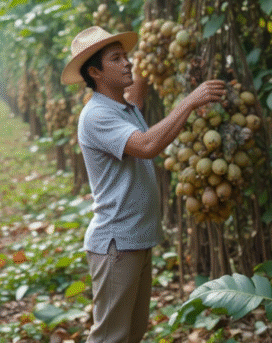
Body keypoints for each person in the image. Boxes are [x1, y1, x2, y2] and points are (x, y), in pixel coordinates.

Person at [60, 25, 225, 343]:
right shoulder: (95, 115)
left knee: (131, 335)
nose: (127, 63)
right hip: (116, 243)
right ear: (95, 71)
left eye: (127, 56)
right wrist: (190, 101)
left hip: (135, 240)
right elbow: (147, 145)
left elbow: (138, 90)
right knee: (110, 337)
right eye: (116, 58)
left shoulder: (124, 108)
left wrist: (160, 45)